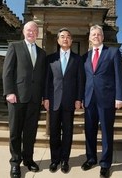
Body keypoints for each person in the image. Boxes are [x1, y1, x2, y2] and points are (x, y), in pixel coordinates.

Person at [2, 21, 46, 178]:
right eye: (29, 30)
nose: (32, 33)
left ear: (38, 33)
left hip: (34, 99)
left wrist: (43, 96)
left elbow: (42, 77)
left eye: (35, 30)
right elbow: (7, 71)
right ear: (23, 31)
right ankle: (15, 162)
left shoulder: (42, 53)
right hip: (17, 97)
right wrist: (9, 92)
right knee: (15, 132)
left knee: (30, 132)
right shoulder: (15, 46)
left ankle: (28, 159)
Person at [81, 25, 122, 178]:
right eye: (93, 34)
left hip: (107, 99)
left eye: (98, 34)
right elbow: (83, 80)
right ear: (89, 37)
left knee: (106, 132)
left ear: (102, 37)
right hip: (89, 100)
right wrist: (80, 98)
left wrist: (120, 97)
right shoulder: (85, 56)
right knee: (89, 131)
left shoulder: (113, 52)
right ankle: (91, 158)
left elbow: (120, 76)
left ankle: (105, 163)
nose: (95, 36)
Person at [43, 28, 84, 173]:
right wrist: (45, 97)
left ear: (71, 41)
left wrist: (79, 98)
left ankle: (65, 160)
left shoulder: (78, 59)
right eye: (62, 37)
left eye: (68, 37)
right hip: (53, 100)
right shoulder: (50, 59)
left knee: (67, 132)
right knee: (54, 132)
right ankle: (55, 160)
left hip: (70, 101)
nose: (65, 39)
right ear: (58, 40)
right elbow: (47, 80)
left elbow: (80, 81)